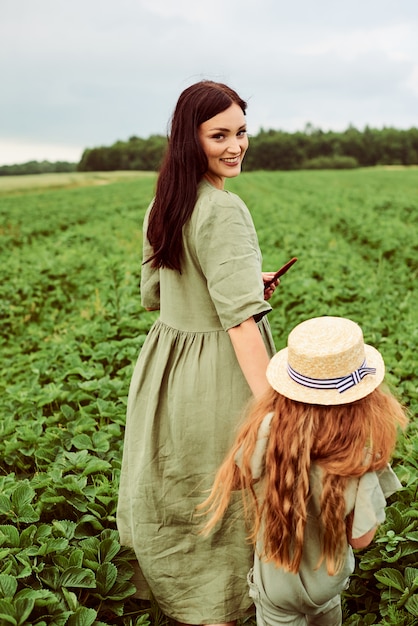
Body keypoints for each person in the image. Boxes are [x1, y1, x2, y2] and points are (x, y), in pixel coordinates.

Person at [117, 80, 280, 625]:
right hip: (219, 376)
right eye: (220, 135)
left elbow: (154, 296)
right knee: (230, 503)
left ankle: (184, 606)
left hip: (167, 369)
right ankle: (225, 611)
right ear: (191, 139)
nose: (236, 146)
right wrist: (274, 410)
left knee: (183, 492)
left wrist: (241, 281)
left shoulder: (164, 202)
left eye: (241, 132)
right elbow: (239, 325)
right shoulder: (224, 210)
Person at [201, 316, 408, 626]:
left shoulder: (268, 432)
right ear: (364, 399)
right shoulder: (358, 460)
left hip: (276, 586)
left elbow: (237, 479)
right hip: (327, 585)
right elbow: (361, 540)